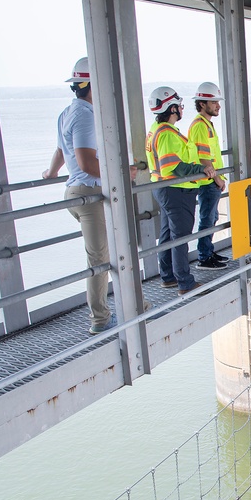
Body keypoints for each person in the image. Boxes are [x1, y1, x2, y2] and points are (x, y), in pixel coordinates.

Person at [43, 57, 135, 334]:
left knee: (112, 252)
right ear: (95, 85)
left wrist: (50, 173)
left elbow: (62, 151)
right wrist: (122, 173)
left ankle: (134, 304)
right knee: (99, 260)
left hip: (76, 192)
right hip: (91, 195)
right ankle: (100, 319)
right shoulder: (86, 116)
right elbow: (86, 162)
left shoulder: (66, 113)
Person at [145, 86, 213, 295]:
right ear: (171, 108)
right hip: (176, 190)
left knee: (167, 234)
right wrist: (201, 169)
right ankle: (185, 282)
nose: (182, 109)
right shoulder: (166, 134)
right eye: (178, 105)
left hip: (165, 189)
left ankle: (168, 276)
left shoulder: (159, 130)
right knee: (181, 237)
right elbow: (175, 167)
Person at [187, 81, 228, 269]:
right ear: (202, 104)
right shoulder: (200, 126)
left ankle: (208, 251)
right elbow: (204, 158)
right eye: (214, 102)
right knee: (207, 219)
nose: (218, 105)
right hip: (208, 181)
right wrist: (218, 179)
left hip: (211, 180)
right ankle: (204, 257)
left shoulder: (206, 124)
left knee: (211, 218)